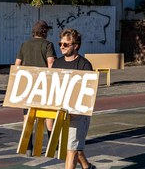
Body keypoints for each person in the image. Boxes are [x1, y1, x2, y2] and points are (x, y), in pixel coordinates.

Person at [52, 29, 96, 169]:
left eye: (66, 44)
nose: (62, 47)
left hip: (78, 113)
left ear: (75, 46)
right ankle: (87, 167)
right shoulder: (57, 64)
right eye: (60, 43)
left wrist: (78, 110)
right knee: (72, 147)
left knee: (71, 149)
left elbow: (89, 92)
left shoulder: (84, 65)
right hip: (61, 112)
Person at [15, 20, 57, 156]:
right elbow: (51, 63)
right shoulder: (48, 45)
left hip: (27, 85)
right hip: (43, 84)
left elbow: (17, 65)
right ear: (44, 32)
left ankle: (28, 147)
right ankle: (52, 144)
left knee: (27, 116)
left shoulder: (24, 45)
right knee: (48, 115)